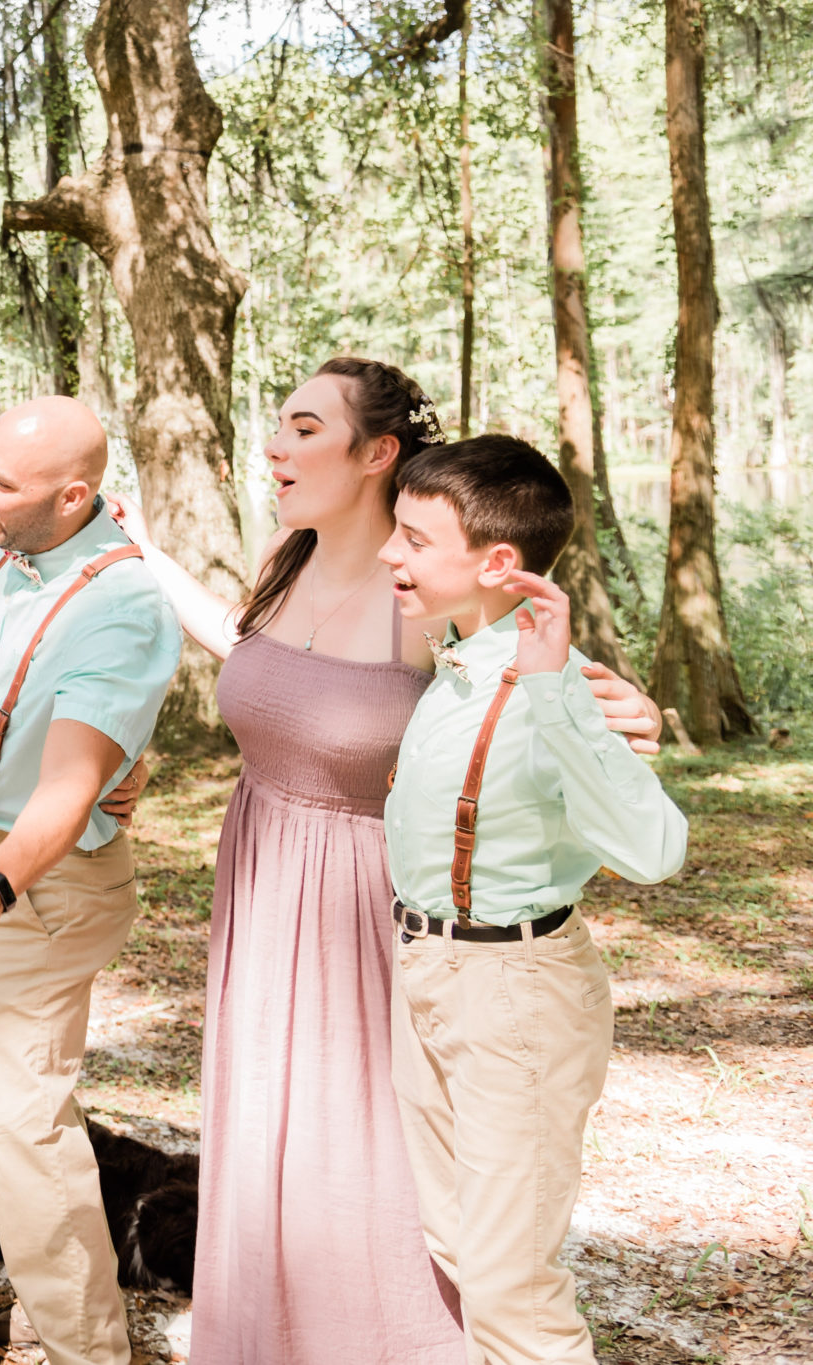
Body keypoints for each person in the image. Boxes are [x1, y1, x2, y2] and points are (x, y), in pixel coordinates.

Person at [111, 359, 664, 1365]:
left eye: (301, 426)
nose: (273, 444)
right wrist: (141, 550)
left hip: (373, 895)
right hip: (262, 875)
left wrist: (634, 708)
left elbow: (528, 666)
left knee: (370, 1149)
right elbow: (248, 654)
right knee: (269, 1125)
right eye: (277, 423)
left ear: (376, 453)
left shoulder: (425, 587)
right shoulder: (288, 552)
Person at [379, 436, 687, 1365]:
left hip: (515, 988)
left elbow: (655, 850)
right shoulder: (458, 657)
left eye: (414, 540)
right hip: (427, 970)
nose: (392, 554)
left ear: (497, 564)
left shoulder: (560, 687)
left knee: (510, 1278)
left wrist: (561, 694)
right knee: (458, 1243)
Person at [0, 397, 178, 1365]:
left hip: (34, 886)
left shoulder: (122, 605)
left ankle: (80, 1350)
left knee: (21, 1130)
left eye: (1, 484)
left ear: (75, 495)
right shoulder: (7, 543)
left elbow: (67, 786)